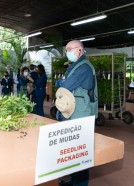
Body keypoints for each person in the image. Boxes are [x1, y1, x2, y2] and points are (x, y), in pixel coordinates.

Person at [56, 40, 98, 186]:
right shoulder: (75, 66)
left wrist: (62, 82)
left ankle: (80, 183)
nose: (67, 52)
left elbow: (65, 84)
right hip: (74, 113)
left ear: (80, 50)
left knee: (80, 154)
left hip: (81, 115)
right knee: (72, 152)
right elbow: (60, 82)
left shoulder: (84, 67)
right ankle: (74, 180)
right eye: (66, 49)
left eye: (69, 49)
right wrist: (61, 81)